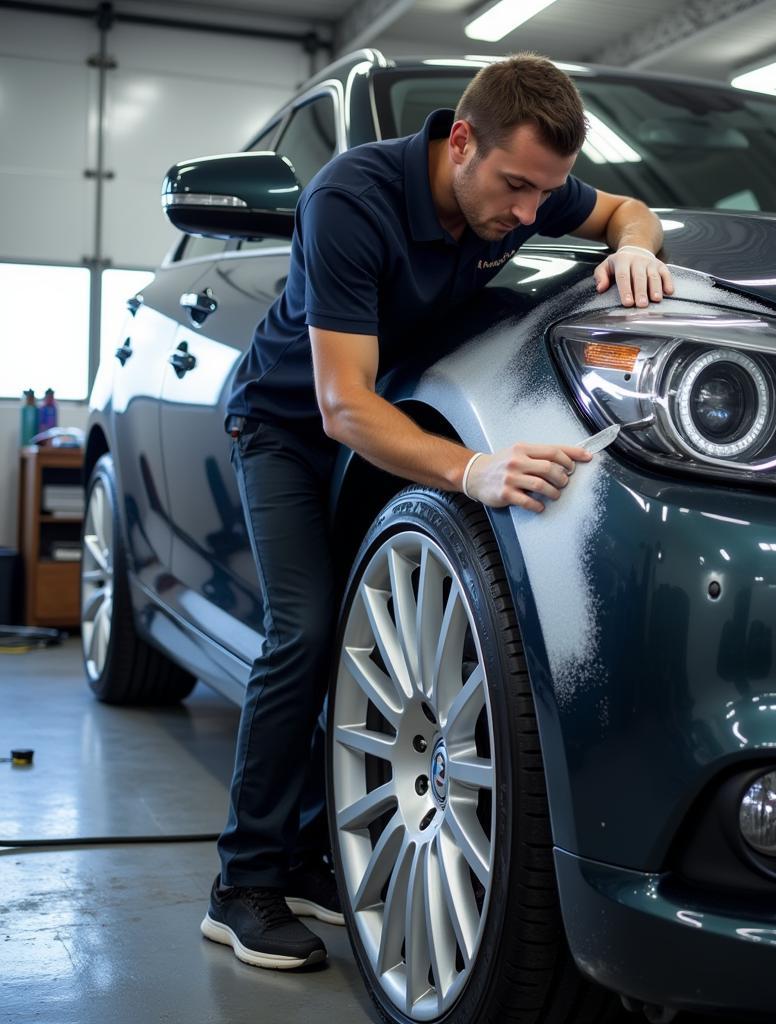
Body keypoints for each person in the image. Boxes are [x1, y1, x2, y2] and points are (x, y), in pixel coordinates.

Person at [200, 52, 674, 970]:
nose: (531, 215)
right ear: (462, 141)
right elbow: (343, 405)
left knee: (353, 640)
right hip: (293, 429)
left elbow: (623, 212)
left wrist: (636, 249)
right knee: (301, 631)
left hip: (387, 421)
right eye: (516, 188)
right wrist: (476, 472)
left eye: (548, 193)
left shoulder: (524, 181)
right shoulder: (351, 201)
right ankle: (243, 884)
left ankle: (305, 857)